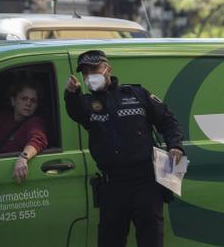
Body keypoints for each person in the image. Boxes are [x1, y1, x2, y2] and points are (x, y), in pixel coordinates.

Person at [64, 50, 184, 247]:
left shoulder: (137, 95)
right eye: (84, 72)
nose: (89, 76)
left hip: (146, 182)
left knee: (151, 240)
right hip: (113, 186)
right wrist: (71, 93)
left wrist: (176, 146)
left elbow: (168, 121)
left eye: (93, 69)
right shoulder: (86, 104)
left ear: (107, 69)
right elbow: (75, 110)